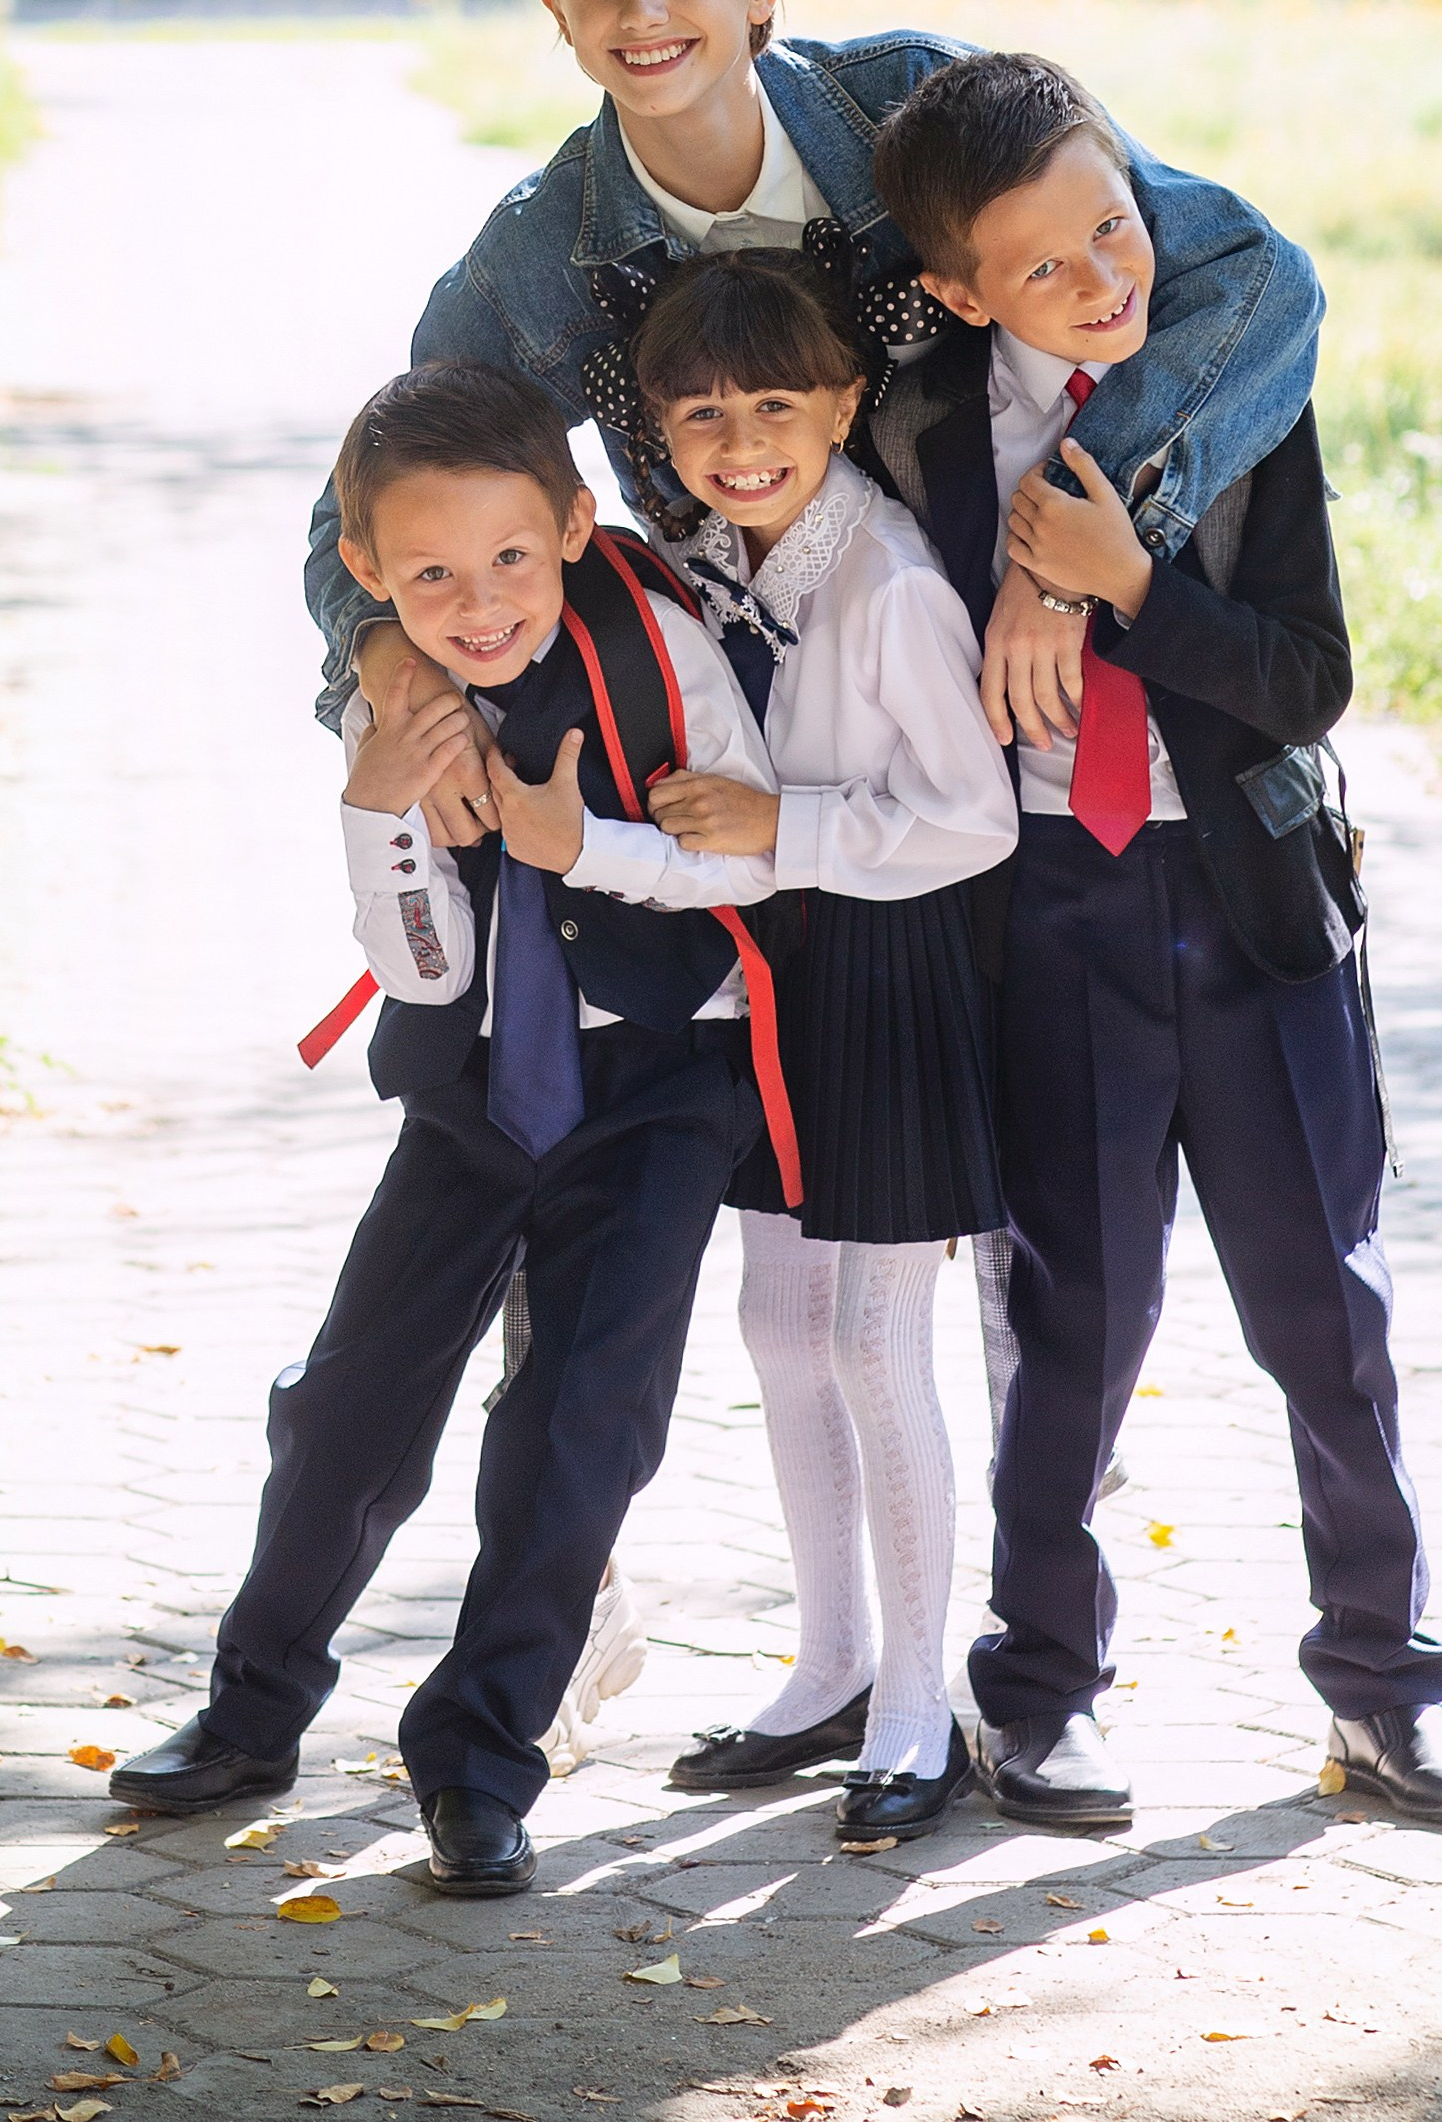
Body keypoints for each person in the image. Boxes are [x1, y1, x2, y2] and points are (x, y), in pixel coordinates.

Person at [869, 52, 1442, 1832]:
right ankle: (1039, 1691)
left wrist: (1128, 587)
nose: (1100, 278)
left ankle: (1385, 1687)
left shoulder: (1239, 395)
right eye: (1042, 266)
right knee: (1070, 1324)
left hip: (1249, 908)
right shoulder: (916, 429)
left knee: (1327, 1310)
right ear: (953, 291)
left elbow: (1308, 679)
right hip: (1044, 918)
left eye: (1111, 225)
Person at [109, 362, 779, 1894]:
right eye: (429, 575)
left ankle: (481, 1757)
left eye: (510, 563)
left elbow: (744, 860)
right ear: (366, 573)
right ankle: (254, 1700)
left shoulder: (662, 644)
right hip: (473, 1090)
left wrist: (587, 844)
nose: (478, 606)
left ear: (571, 526)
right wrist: (372, 809)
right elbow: (420, 962)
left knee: (582, 1424)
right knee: (352, 1404)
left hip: (665, 1082)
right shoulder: (391, 699)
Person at [303, 0, 1325, 797]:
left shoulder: (916, 106)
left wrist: (1068, 550)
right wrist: (392, 658)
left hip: (1017, 664)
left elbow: (1260, 278)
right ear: (553, 7)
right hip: (776, 722)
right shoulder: (536, 260)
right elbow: (374, 493)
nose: (642, 12)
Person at [631, 251, 1015, 1844]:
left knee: (872, 1341)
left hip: (897, 975)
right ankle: (832, 1662)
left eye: (776, 406)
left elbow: (975, 819)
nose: (740, 439)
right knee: (780, 1330)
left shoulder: (893, 586)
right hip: (783, 973)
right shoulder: (727, 553)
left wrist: (779, 829)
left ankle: (924, 1707)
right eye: (702, 413)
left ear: (847, 404)